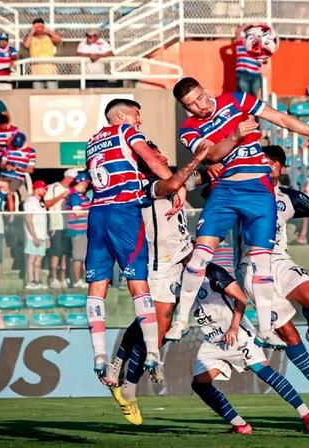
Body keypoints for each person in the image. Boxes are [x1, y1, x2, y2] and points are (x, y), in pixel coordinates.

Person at [168, 76, 309, 345]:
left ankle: (266, 329)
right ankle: (180, 321)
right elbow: (211, 156)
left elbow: (280, 118)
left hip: (258, 191)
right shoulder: (189, 128)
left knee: (262, 264)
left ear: (205, 90)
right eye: (192, 104)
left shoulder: (236, 100)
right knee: (199, 257)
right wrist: (235, 135)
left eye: (200, 97)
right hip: (226, 192)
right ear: (187, 109)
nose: (200, 106)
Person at [231, 145, 309, 411]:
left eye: (274, 162)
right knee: (289, 335)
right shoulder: (240, 192)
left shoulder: (289, 198)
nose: (268, 165)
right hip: (251, 267)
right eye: (263, 161)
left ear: (282, 168)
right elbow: (210, 193)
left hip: (279, 260)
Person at [104, 139, 210, 423]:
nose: (161, 155)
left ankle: (118, 368)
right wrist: (198, 159)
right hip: (158, 265)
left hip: (181, 258)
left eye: (159, 152)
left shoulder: (172, 178)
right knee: (157, 327)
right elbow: (174, 185)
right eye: (155, 153)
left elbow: (193, 180)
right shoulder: (143, 185)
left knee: (149, 324)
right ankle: (129, 386)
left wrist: (224, 162)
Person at [84, 98, 178, 381]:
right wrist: (174, 184)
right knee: (139, 284)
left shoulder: (91, 142)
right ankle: (152, 351)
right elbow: (149, 158)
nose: (139, 121)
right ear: (122, 116)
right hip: (122, 212)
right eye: (137, 115)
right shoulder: (125, 131)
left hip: (96, 213)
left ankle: (99, 354)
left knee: (96, 285)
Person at [189, 262, 309, 434]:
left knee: (264, 373)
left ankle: (307, 415)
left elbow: (241, 298)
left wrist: (233, 327)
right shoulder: (181, 276)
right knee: (200, 384)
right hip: (213, 340)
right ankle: (240, 425)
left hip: (237, 335)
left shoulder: (213, 272)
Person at [45, 169, 76, 289]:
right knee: (56, 252)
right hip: (56, 225)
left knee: (65, 253)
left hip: (68, 225)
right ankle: (53, 278)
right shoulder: (52, 187)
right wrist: (61, 197)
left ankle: (63, 278)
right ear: (67, 177)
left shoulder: (73, 191)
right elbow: (47, 204)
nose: (72, 181)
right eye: (71, 178)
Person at [66, 172, 90, 288]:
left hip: (84, 230)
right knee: (78, 257)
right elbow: (77, 212)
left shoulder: (82, 195)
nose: (87, 185)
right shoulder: (75, 196)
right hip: (77, 230)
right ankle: (77, 281)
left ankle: (83, 279)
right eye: (86, 182)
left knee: (84, 256)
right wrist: (91, 212)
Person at [23, 18, 62, 90]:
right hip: (36, 72)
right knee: (37, 95)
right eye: (36, 27)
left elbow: (58, 39)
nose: (38, 29)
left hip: (50, 72)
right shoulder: (30, 38)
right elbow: (26, 45)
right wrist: (31, 33)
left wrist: (49, 31)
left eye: (40, 26)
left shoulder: (49, 37)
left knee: (53, 94)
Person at [23, 180, 48, 289]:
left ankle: (37, 281)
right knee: (32, 259)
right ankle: (31, 281)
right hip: (34, 236)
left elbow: (43, 221)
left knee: (39, 260)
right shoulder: (30, 202)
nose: (45, 191)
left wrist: (46, 237)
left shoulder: (41, 203)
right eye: (43, 189)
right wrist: (34, 237)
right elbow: (29, 220)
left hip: (42, 235)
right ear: (37, 189)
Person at [234, 24, 267, 96]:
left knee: (254, 99)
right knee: (244, 98)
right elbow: (238, 32)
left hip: (256, 75)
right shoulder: (241, 42)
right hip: (243, 74)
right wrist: (250, 24)